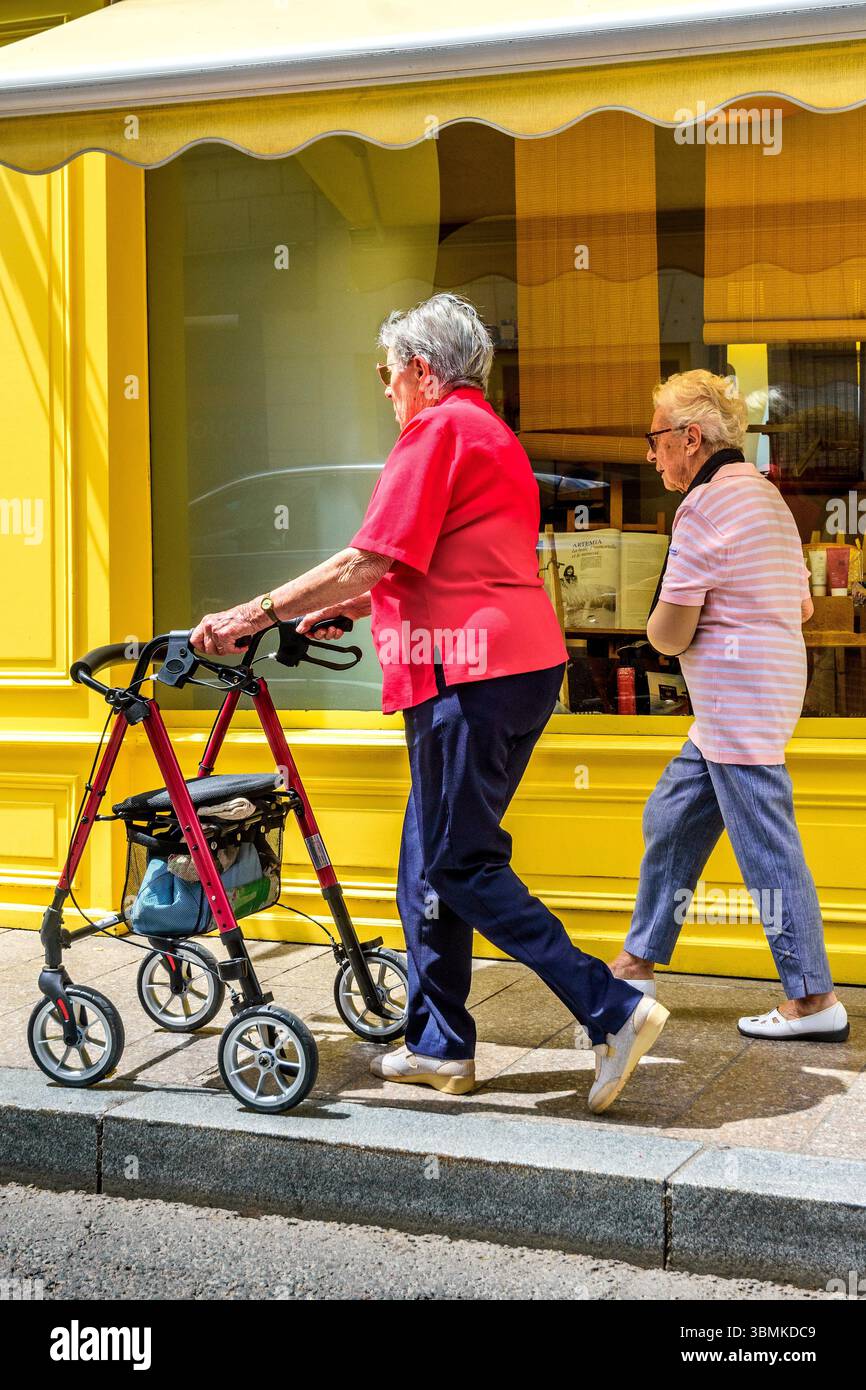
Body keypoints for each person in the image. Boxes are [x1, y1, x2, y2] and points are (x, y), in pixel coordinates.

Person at [189, 292, 669, 1112]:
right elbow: (437, 560)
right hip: (508, 666)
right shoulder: (493, 437)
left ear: (419, 370)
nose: (385, 390)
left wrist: (253, 615)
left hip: (468, 675)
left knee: (457, 860)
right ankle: (441, 1046)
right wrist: (342, 607)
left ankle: (612, 1008)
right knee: (430, 858)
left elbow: (369, 556)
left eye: (387, 373)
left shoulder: (437, 430)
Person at [608, 369, 848, 1042]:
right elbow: (799, 604)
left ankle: (812, 996)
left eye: (656, 439)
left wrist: (655, 630)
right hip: (748, 698)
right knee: (672, 816)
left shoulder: (708, 504)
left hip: (736, 704)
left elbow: (671, 629)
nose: (650, 455)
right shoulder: (765, 496)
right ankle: (636, 963)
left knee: (767, 849)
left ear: (691, 437)